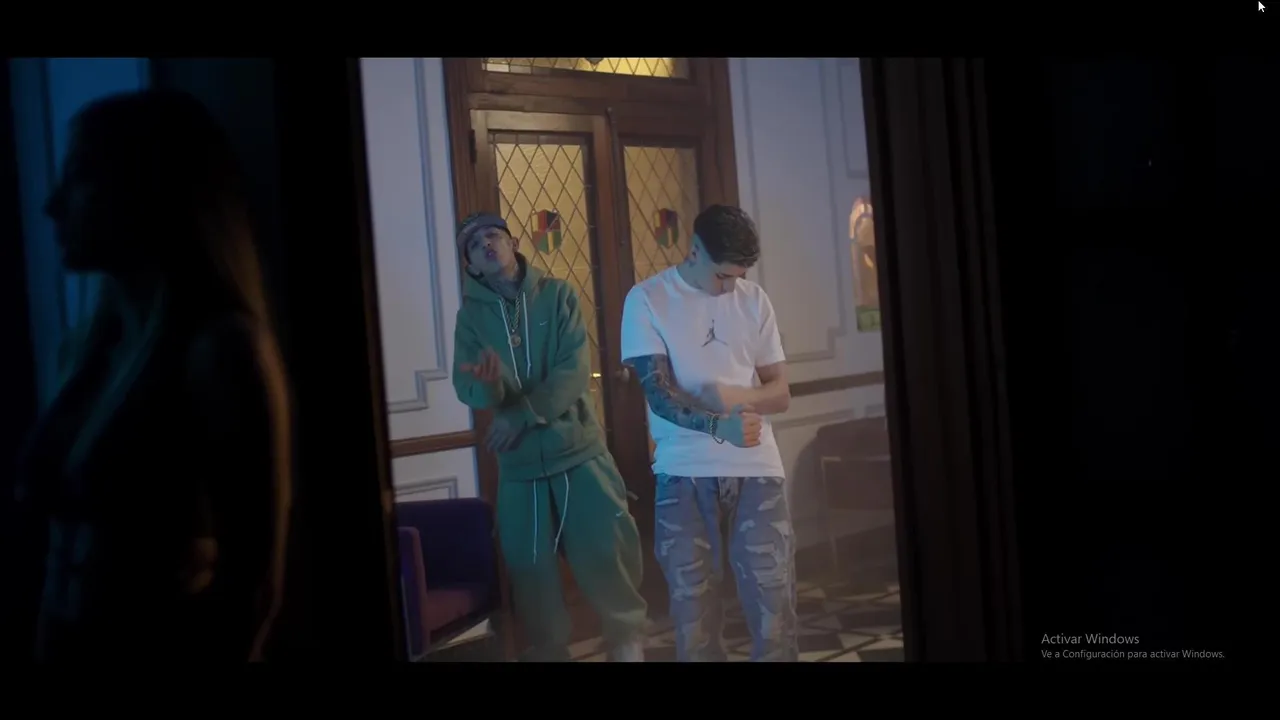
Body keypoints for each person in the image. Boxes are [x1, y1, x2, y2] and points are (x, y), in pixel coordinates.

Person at [14, 89, 292, 662]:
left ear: (146, 186)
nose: (52, 205)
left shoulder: (220, 351)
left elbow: (254, 585)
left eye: (81, 178)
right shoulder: (83, 350)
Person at [452, 212, 648, 662]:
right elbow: (470, 386)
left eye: (493, 236)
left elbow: (574, 371)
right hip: (519, 465)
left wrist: (521, 414)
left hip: (578, 452)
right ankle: (547, 651)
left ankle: (626, 639)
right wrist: (488, 386)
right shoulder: (470, 318)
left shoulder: (558, 295)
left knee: (606, 548)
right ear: (471, 266)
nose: (486, 245)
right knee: (529, 566)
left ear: (514, 243)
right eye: (475, 245)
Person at [620, 204, 796, 662]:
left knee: (774, 610)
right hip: (683, 472)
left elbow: (780, 393)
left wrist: (733, 397)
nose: (730, 287)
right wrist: (722, 425)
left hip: (758, 469)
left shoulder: (754, 299)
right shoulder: (646, 299)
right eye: (722, 276)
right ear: (694, 249)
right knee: (693, 617)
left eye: (737, 277)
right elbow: (660, 397)